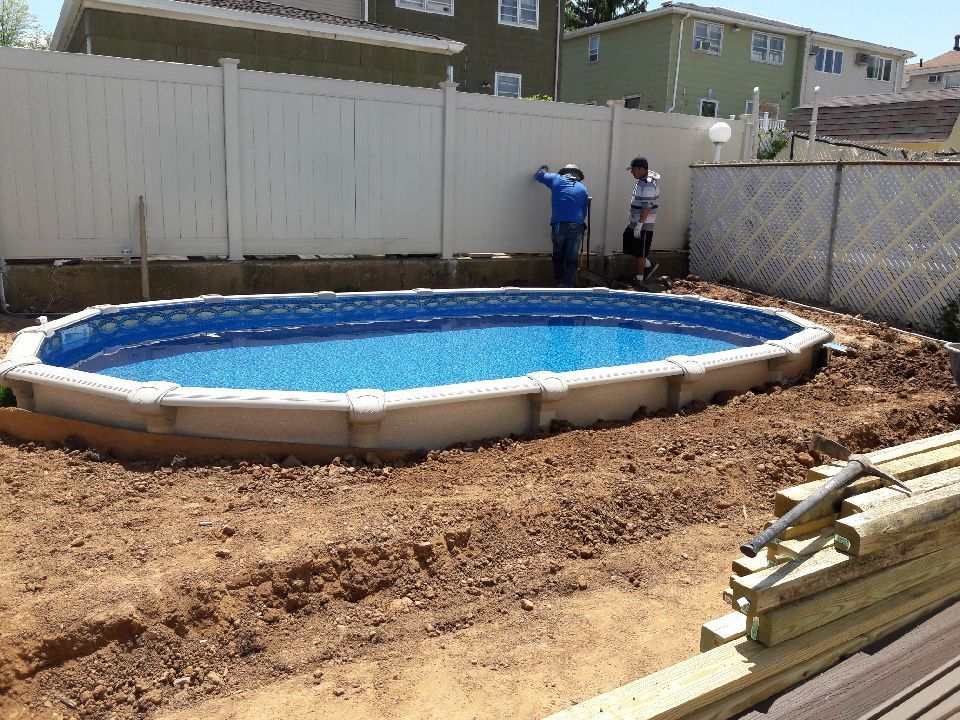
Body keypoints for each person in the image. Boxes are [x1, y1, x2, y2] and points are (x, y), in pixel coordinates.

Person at [535, 163, 589, 287]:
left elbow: (539, 175)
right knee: (571, 257)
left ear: (563, 172)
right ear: (578, 176)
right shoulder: (583, 188)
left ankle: (558, 280)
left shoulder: (556, 179)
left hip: (558, 225)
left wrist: (544, 169)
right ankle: (567, 284)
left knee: (558, 255)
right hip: (576, 225)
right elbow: (584, 211)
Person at [623, 156, 661, 286]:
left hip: (644, 224)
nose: (631, 172)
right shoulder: (641, 181)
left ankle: (640, 278)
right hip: (634, 222)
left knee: (640, 251)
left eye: (633, 170)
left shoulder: (649, 183)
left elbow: (647, 206)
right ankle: (649, 265)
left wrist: (640, 224)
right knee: (628, 243)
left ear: (640, 169)